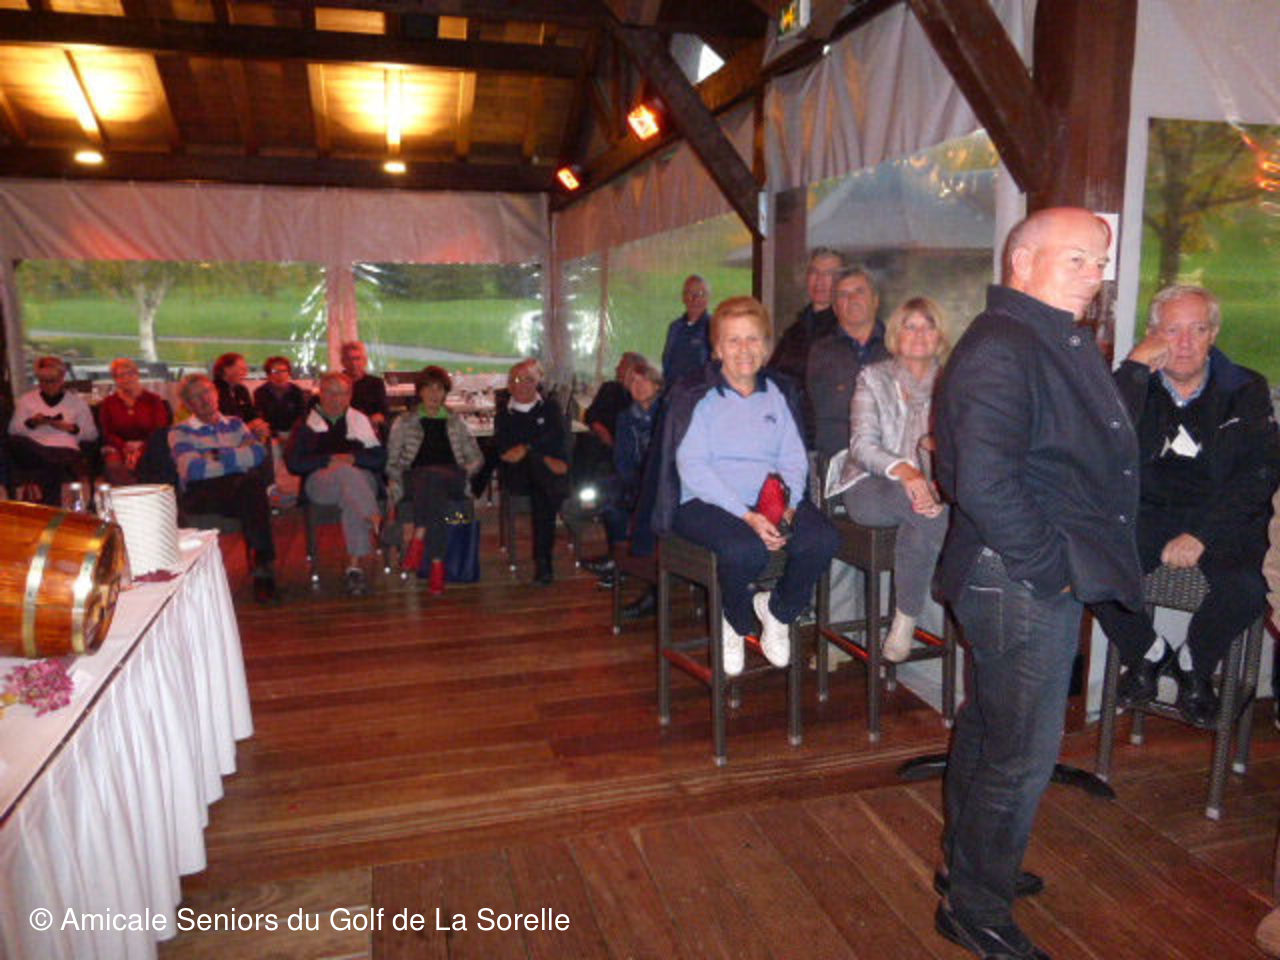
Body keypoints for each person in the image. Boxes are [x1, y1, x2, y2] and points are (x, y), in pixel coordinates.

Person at [932, 207, 1144, 960]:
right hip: (1017, 576)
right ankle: (976, 910)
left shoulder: (1042, 335)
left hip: (1012, 572)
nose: (1094, 276)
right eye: (1076, 259)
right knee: (1021, 753)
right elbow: (983, 482)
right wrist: (1051, 570)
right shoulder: (1005, 344)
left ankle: (966, 869)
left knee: (991, 727)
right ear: (1021, 262)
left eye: (1100, 262)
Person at [1091, 284, 1280, 726]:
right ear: (1152, 335)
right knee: (1092, 566)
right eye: (1172, 330)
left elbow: (1259, 475)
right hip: (1148, 511)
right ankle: (1148, 653)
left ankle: (1195, 662)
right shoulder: (1134, 386)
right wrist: (1134, 369)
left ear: (1214, 334)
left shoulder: (1245, 387)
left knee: (1250, 588)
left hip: (1221, 516)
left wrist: (1201, 534)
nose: (1184, 343)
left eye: (1198, 330)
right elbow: (1098, 442)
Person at [651, 296, 838, 675]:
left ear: (766, 347)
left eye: (753, 339)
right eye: (733, 340)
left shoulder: (779, 393)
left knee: (822, 539)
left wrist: (787, 505)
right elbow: (693, 467)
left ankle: (778, 610)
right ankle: (734, 619)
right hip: (705, 502)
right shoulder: (697, 394)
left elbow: (793, 457)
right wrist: (748, 516)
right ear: (718, 349)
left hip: (769, 498)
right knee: (745, 550)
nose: (744, 349)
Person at [828, 296, 950, 662]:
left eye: (928, 326)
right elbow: (862, 445)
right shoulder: (873, 377)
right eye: (910, 326)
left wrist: (937, 451)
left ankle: (904, 620)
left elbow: (967, 440)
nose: (919, 334)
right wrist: (907, 471)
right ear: (896, 335)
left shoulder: (953, 381)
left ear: (940, 335)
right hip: (868, 485)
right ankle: (935, 606)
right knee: (929, 509)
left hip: (929, 490)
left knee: (927, 514)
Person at [170, 373, 277, 602]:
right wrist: (238, 456)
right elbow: (194, 470)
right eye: (196, 396)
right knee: (251, 486)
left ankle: (261, 564)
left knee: (250, 486)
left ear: (216, 394)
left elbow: (258, 454)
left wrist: (215, 455)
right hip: (203, 492)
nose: (205, 399)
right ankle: (262, 563)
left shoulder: (235, 424)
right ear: (187, 404)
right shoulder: (180, 431)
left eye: (207, 392)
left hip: (239, 490)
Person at [285, 371, 388, 596]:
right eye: (331, 393)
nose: (337, 399)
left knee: (351, 491)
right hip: (321, 483)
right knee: (345, 473)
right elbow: (294, 463)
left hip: (359, 482)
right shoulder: (307, 424)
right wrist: (329, 460)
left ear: (350, 395)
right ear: (320, 394)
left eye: (343, 394)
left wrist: (352, 458)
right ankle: (374, 517)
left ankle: (354, 569)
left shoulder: (359, 420)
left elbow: (380, 458)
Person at [385, 365, 483, 593]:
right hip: (415, 480)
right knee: (430, 478)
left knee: (434, 476)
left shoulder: (456, 421)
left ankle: (420, 534)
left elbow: (477, 458)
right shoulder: (404, 421)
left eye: (439, 389)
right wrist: (397, 478)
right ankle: (437, 562)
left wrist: (465, 472)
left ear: (445, 392)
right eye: (428, 388)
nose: (433, 394)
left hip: (452, 478)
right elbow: (391, 461)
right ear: (420, 391)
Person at [494, 358, 570, 585]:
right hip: (519, 476)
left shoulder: (550, 408)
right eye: (517, 380)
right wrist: (539, 453)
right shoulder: (504, 415)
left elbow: (557, 439)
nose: (523, 385)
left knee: (542, 491)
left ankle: (543, 562)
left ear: (538, 382)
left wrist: (526, 448)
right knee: (543, 477)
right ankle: (543, 561)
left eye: (529, 379)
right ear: (509, 385)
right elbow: (506, 453)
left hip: (544, 477)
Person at [805, 266, 889, 456]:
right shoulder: (820, 353)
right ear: (835, 308)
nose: (852, 299)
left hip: (891, 459)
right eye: (843, 294)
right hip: (838, 459)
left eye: (859, 291)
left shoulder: (896, 347)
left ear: (876, 300)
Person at [7, 355, 98, 505]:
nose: (48, 385)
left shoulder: (77, 403)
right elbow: (13, 430)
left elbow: (91, 434)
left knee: (51, 464)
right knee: (21, 444)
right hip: (34, 449)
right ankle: (53, 501)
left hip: (63, 448)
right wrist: (32, 423)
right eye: (43, 381)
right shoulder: (26, 400)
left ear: (62, 379)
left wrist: (71, 428)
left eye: (52, 381)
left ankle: (50, 505)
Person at [767, 247, 846, 384]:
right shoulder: (794, 331)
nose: (820, 281)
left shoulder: (846, 330)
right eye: (814, 272)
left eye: (829, 274)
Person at [98, 357, 172, 485]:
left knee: (152, 462)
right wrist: (125, 446)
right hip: (119, 448)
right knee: (113, 464)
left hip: (150, 446)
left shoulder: (154, 400)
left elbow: (160, 430)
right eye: (120, 375)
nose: (126, 379)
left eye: (130, 374)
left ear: (137, 375)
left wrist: (141, 447)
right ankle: (130, 493)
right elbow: (107, 432)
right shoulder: (109, 403)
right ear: (115, 379)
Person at [660, 275, 711, 385]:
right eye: (690, 293)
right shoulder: (675, 328)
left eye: (700, 294)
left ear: (708, 298)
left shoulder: (714, 327)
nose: (695, 299)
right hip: (674, 391)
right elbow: (666, 362)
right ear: (683, 298)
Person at [212, 352, 269, 441]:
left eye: (246, 369)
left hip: (244, 437)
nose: (245, 373)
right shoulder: (213, 391)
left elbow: (252, 414)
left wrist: (259, 423)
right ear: (227, 369)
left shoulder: (241, 390)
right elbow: (220, 422)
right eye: (241, 369)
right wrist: (248, 427)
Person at [340, 340, 389, 432]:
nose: (354, 363)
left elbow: (384, 413)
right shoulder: (337, 383)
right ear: (343, 362)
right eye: (349, 359)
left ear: (365, 361)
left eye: (357, 359)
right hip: (342, 429)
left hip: (369, 429)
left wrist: (371, 420)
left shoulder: (376, 383)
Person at [253, 356, 308, 437]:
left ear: (289, 373)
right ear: (268, 374)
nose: (280, 375)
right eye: (275, 371)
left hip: (293, 435)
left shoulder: (297, 392)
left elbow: (302, 417)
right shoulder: (260, 393)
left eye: (283, 371)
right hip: (269, 435)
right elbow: (259, 418)